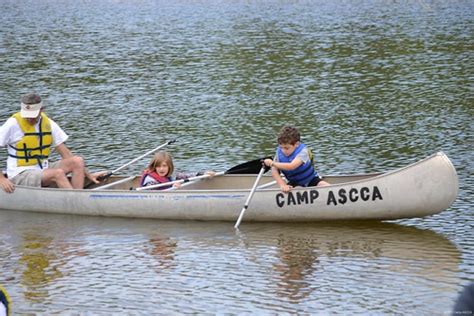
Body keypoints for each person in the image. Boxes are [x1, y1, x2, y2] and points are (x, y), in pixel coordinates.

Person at [0, 93, 105, 193]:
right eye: (26, 115)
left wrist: (88, 175)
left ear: (41, 110)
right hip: (20, 173)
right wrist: (1, 179)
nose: (29, 118)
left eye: (32, 115)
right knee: (57, 173)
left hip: (43, 168)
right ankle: (77, 201)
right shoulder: (12, 124)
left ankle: (77, 196)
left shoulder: (48, 123)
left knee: (77, 161)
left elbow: (66, 154)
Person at [263, 125, 330, 193]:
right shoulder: (279, 153)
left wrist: (272, 163)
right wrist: (283, 185)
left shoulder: (303, 151)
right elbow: (274, 171)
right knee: (298, 189)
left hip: (311, 180)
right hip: (294, 183)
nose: (283, 151)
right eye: (281, 147)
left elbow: (292, 166)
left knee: (323, 185)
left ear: (296, 144)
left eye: (286, 148)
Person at [140, 150, 215, 190]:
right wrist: (172, 187)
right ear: (154, 167)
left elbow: (187, 176)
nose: (161, 169)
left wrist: (203, 174)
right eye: (158, 166)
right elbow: (152, 195)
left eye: (164, 166)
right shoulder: (150, 181)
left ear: (169, 166)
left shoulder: (172, 175)